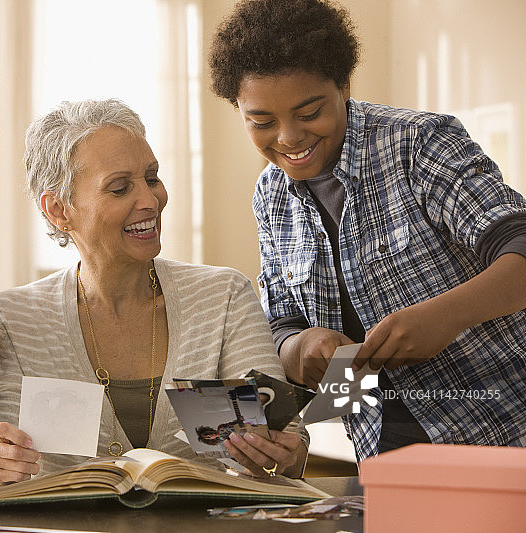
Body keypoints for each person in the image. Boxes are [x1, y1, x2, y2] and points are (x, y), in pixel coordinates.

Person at [208, 0, 526, 460]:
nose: (289, 138)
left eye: (310, 112)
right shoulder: (270, 195)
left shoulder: (417, 144)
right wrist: (303, 347)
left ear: (344, 85)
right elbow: (280, 326)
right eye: (261, 122)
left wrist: (446, 316)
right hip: (383, 452)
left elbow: (518, 242)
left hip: (503, 433)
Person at [0, 98, 309, 485]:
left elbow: (290, 443)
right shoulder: (11, 319)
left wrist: (279, 453)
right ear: (58, 209)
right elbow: (2, 469)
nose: (150, 201)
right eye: (120, 189)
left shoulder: (222, 296)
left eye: (152, 178)